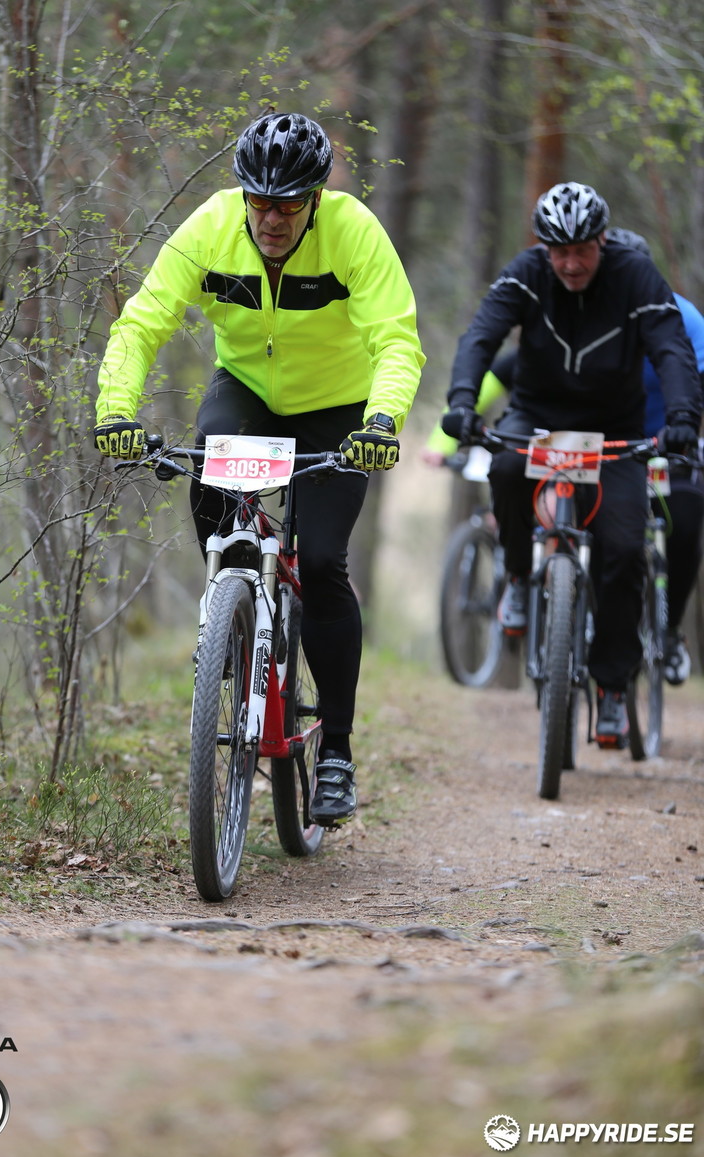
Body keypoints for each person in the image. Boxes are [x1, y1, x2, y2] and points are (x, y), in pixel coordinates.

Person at [94, 111, 426, 826]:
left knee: (329, 561)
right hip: (245, 393)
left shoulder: (353, 233)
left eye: (288, 204)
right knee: (213, 502)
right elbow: (144, 320)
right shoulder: (211, 227)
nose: (271, 218)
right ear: (242, 194)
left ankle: (334, 749)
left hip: (339, 409)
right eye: (259, 201)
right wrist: (117, 410)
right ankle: (231, 613)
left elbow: (397, 340)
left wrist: (380, 423)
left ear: (314, 198)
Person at [441, 181, 702, 749]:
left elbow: (671, 347)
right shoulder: (527, 273)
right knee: (505, 470)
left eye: (582, 249)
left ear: (602, 241)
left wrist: (683, 417)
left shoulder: (634, 275)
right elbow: (482, 335)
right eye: (558, 251)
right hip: (536, 415)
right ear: (543, 248)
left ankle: (611, 688)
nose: (570, 262)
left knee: (626, 548)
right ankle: (516, 574)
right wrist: (462, 400)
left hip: (615, 429)